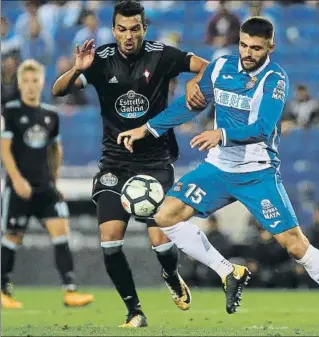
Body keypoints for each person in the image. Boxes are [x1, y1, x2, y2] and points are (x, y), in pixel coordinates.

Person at [117, 16, 319, 330]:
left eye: (255, 47)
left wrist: (221, 134)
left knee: (294, 244)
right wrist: (147, 128)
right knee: (166, 216)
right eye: (243, 45)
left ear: (270, 47)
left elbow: (264, 128)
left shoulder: (275, 79)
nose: (247, 53)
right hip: (218, 168)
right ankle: (229, 272)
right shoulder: (220, 67)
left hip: (257, 173)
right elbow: (190, 104)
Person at [52, 0, 213, 328]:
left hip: (155, 162)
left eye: (135, 29)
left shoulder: (163, 54)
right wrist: (78, 68)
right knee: (110, 241)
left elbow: (208, 67)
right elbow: (58, 91)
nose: (128, 36)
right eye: (122, 29)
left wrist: (195, 83)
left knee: (160, 242)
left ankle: (170, 274)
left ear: (144, 28)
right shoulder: (100, 60)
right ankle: (134, 310)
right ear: (114, 30)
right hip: (115, 164)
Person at [1, 59, 93, 309]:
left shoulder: (50, 115)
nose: (31, 86)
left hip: (44, 187)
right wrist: (16, 180)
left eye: (35, 81)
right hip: (19, 188)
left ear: (42, 83)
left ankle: (70, 290)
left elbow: (55, 150)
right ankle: (3, 290)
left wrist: (55, 181)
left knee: (61, 231)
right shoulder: (11, 111)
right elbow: (5, 150)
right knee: (12, 236)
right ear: (20, 84)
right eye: (26, 81)